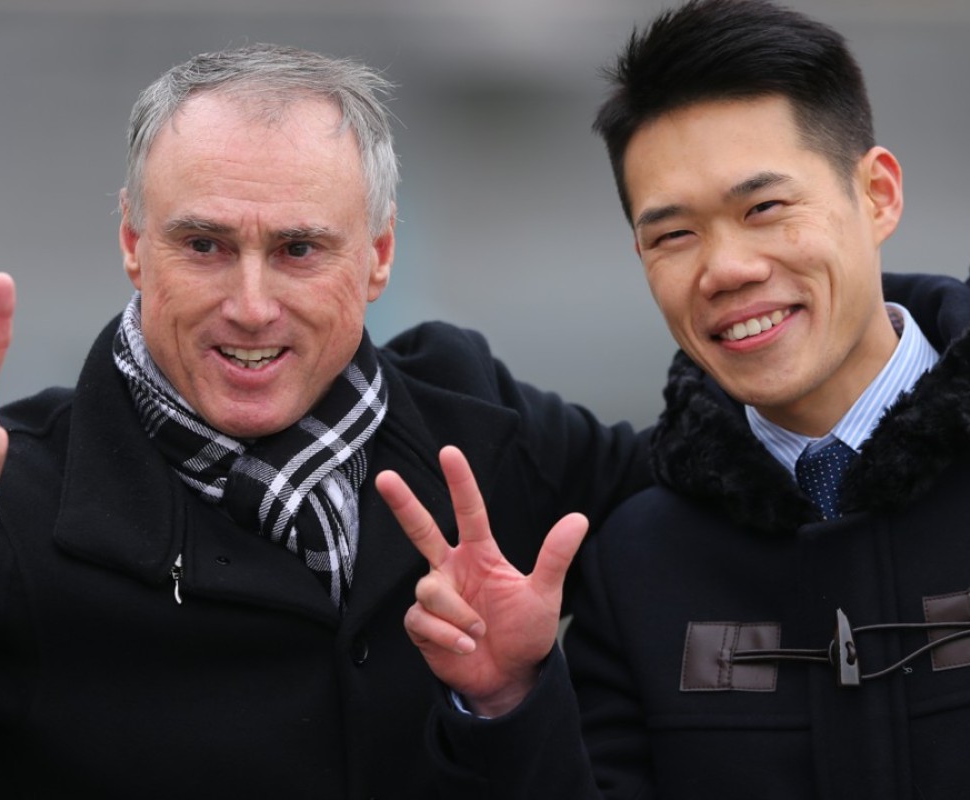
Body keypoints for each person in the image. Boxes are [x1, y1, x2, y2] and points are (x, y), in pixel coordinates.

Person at [0, 44, 653, 799]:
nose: (251, 304)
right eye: (205, 246)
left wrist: (506, 702)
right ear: (131, 244)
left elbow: (726, 483)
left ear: (379, 256)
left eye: (299, 249)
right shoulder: (6, 502)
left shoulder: (480, 423)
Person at [377, 1, 970, 797]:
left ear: (878, 195)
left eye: (764, 208)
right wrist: (508, 700)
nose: (725, 269)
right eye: (673, 235)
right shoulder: (637, 559)